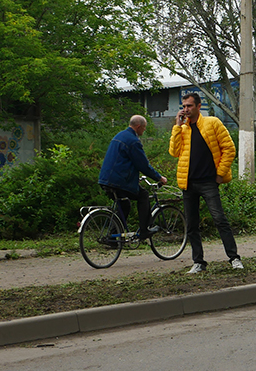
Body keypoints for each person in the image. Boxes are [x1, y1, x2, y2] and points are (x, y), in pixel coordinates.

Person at [170, 92, 243, 273]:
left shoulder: (212, 123)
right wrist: (177, 127)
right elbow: (174, 152)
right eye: (184, 106)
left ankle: (234, 258)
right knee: (192, 224)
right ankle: (199, 262)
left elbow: (229, 149)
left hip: (209, 181)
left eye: (189, 106)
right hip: (189, 183)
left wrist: (219, 175)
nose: (185, 110)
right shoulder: (183, 128)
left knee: (219, 219)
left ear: (198, 106)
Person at [98, 115, 167, 240]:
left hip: (106, 179)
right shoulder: (133, 141)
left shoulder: (119, 136)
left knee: (124, 205)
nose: (144, 131)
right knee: (143, 195)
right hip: (118, 181)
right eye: (144, 128)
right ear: (139, 126)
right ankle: (145, 230)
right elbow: (143, 165)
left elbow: (121, 162)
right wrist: (159, 178)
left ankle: (112, 237)